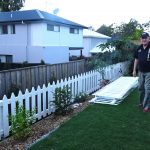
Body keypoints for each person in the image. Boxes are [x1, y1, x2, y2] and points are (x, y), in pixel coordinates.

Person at [133, 32, 150, 112]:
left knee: (147, 89)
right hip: (140, 71)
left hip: (149, 72)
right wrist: (134, 70)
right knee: (140, 88)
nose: (144, 39)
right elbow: (136, 59)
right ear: (140, 39)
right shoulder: (139, 48)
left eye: (145, 37)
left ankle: (146, 105)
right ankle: (141, 102)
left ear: (148, 38)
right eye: (142, 38)